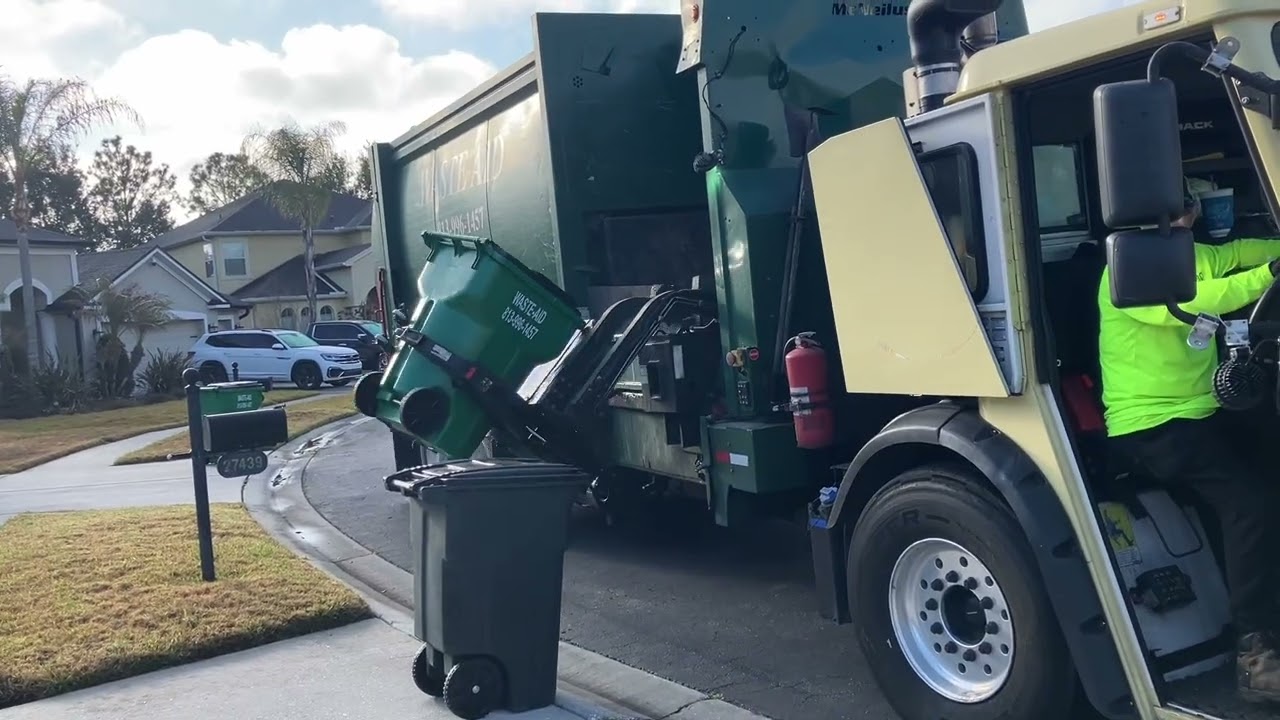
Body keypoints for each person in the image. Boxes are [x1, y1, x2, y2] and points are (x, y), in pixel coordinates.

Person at [1098, 178, 1280, 703]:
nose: (1191, 217)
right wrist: (1271, 274)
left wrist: (1273, 251)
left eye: (1191, 208)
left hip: (1205, 411)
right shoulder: (1126, 273)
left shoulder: (1190, 254)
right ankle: (1254, 654)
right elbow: (1199, 299)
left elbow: (1234, 255)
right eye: (1183, 210)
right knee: (1249, 504)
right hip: (1151, 426)